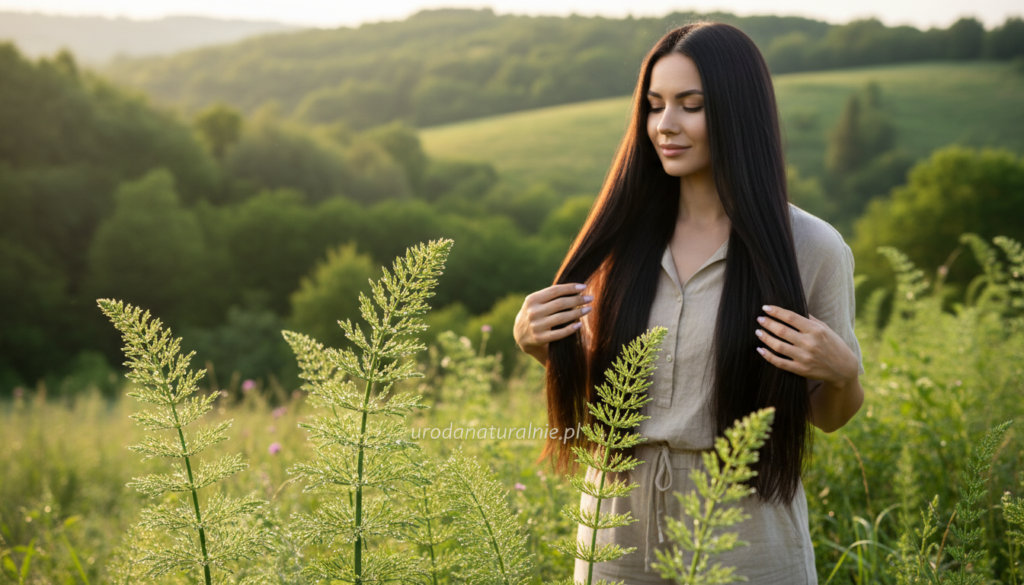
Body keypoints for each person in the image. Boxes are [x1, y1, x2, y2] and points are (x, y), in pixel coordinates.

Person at [512, 22, 865, 584]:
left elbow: (828, 416)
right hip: (617, 526)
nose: (664, 126)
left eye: (690, 105)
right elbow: (607, 394)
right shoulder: (616, 243)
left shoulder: (810, 248)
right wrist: (540, 345)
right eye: (654, 106)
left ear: (737, 114)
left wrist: (844, 375)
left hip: (744, 527)